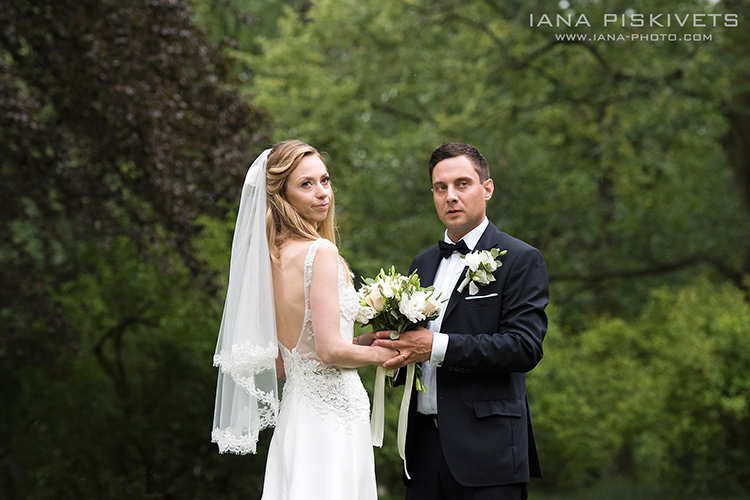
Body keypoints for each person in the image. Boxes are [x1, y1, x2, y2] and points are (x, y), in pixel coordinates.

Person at [212, 140, 396, 500]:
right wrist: (386, 355)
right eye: (306, 184)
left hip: (297, 416)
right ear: (282, 196)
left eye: (324, 180)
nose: (322, 193)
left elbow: (284, 363)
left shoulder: (270, 261)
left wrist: (359, 344)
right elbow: (328, 352)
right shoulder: (320, 252)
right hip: (332, 420)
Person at [373, 142, 549, 500]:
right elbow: (415, 352)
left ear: (487, 189)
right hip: (422, 451)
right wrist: (393, 353)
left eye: (462, 184)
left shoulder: (520, 259)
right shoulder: (421, 264)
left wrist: (435, 346)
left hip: (489, 452)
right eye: (441, 188)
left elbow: (524, 348)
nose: (450, 196)